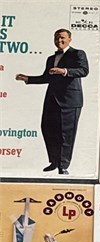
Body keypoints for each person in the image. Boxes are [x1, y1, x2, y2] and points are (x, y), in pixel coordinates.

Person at [15, 29, 89, 175]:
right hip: (52, 99)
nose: (59, 41)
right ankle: (54, 162)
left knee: (66, 134)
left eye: (62, 38)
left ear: (70, 39)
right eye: (56, 38)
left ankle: (63, 166)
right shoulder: (51, 58)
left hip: (70, 101)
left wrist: (64, 71)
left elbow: (84, 71)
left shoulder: (78, 53)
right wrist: (28, 79)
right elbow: (46, 78)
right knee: (48, 129)